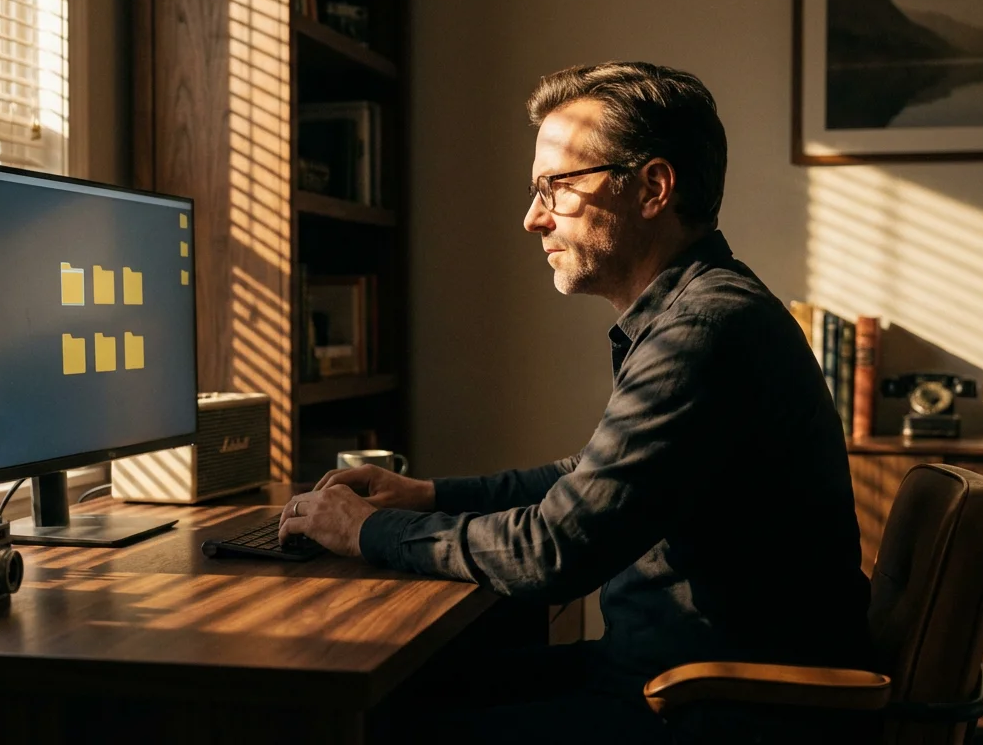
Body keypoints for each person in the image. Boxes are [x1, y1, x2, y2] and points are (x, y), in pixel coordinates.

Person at [278, 61, 872, 742]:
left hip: (716, 705)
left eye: (554, 189)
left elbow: (553, 551)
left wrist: (363, 531)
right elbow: (590, 480)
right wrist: (425, 495)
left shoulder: (702, 334)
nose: (533, 219)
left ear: (652, 187)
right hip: (675, 678)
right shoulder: (702, 311)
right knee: (394, 696)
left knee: (365, 722)